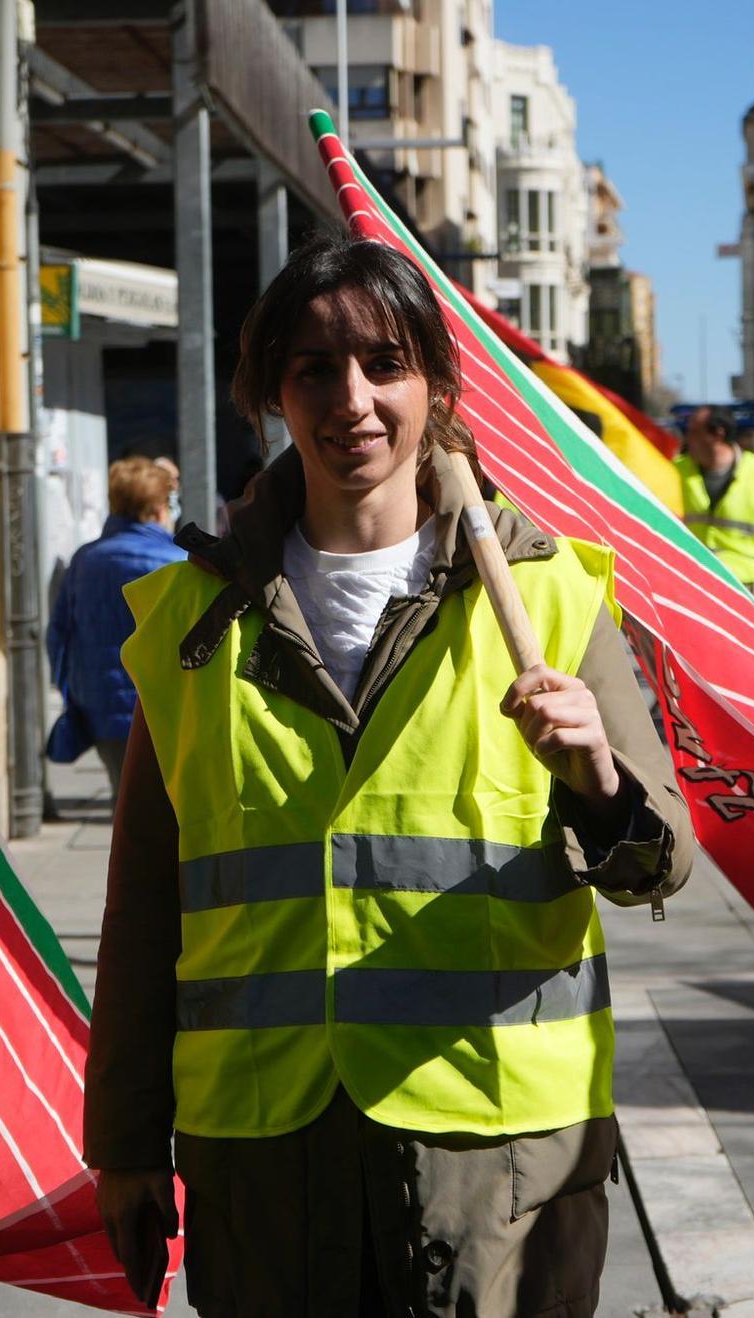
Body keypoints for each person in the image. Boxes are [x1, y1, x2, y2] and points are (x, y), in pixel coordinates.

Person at [83, 233, 694, 1318]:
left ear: (438, 388)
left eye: (384, 363)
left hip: (496, 1156)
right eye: (314, 367)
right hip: (263, 1153)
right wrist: (124, 1137)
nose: (350, 398)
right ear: (272, 393)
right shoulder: (187, 622)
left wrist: (598, 775)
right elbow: (142, 910)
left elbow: (659, 866)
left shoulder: (548, 597)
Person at [46, 457, 185, 794]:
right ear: (158, 508)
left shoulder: (85, 559)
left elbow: (59, 634)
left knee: (125, 804)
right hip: (169, 708)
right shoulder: (176, 564)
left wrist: (72, 691)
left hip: (101, 706)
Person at [676, 406, 754, 606]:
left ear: (718, 434)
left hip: (746, 590)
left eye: (694, 432)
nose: (687, 438)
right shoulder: (676, 470)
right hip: (691, 589)